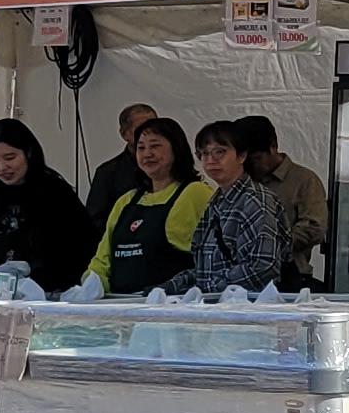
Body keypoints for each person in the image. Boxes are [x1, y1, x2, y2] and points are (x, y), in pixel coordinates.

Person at [0, 119, 96, 292]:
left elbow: (85, 246)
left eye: (10, 158)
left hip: (52, 294)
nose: (2, 167)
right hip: (1, 293)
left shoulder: (55, 192)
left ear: (28, 153)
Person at [91, 115, 207, 295]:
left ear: (176, 148)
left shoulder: (196, 193)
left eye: (155, 146)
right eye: (141, 148)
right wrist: (91, 286)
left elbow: (209, 258)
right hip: (120, 303)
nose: (147, 154)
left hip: (171, 304)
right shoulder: (126, 200)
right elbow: (102, 259)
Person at [190, 120, 286, 295]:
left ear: (242, 155)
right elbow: (203, 269)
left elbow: (263, 267)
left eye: (220, 152)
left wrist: (207, 289)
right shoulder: (218, 200)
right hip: (220, 303)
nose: (210, 160)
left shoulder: (255, 199)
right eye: (204, 153)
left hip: (247, 306)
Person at [237, 115, 329, 291]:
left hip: (288, 279)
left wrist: (268, 245)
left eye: (256, 159)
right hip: (243, 278)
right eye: (245, 160)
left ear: (273, 147)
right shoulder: (242, 180)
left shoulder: (304, 180)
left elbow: (314, 228)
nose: (251, 165)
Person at [83, 103, 158, 228]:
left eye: (155, 127)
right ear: (124, 134)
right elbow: (95, 221)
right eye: (141, 128)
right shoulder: (108, 173)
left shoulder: (170, 165)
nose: (150, 133)